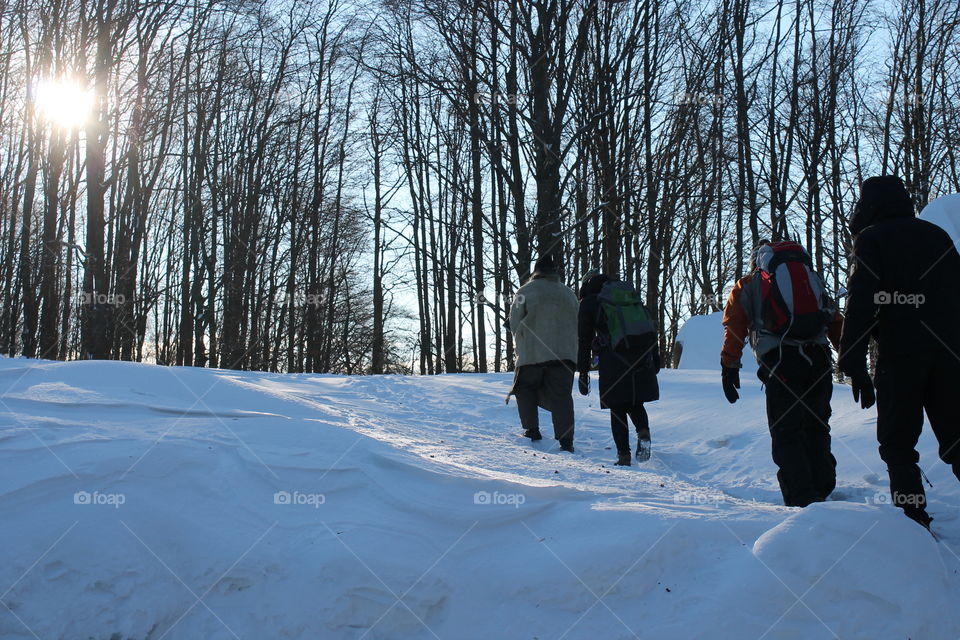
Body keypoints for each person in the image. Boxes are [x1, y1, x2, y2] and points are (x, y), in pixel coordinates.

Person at [838, 175, 960, 531]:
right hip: (950, 353)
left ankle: (913, 520)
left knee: (897, 443)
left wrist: (852, 361)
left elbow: (862, 302)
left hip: (901, 354)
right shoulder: (936, 235)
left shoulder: (871, 239)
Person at [721, 240, 844, 507]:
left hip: (781, 364)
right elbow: (834, 318)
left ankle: (802, 497)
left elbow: (734, 326)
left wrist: (729, 366)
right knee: (817, 424)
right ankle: (823, 488)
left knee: (786, 430)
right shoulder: (811, 279)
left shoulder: (747, 285)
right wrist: (848, 356)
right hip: (819, 359)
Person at [577, 271, 660, 466]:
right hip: (640, 356)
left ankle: (624, 455)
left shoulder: (590, 303)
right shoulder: (628, 295)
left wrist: (583, 371)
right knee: (635, 401)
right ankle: (643, 431)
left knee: (617, 407)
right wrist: (655, 359)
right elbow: (648, 324)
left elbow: (584, 340)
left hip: (614, 358)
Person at [507, 254, 579, 452]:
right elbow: (577, 322)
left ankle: (532, 430)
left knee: (524, 388)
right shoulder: (568, 293)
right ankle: (566, 441)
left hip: (532, 353)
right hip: (564, 355)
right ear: (554, 272)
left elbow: (514, 322)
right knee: (562, 396)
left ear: (536, 273)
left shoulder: (526, 290)